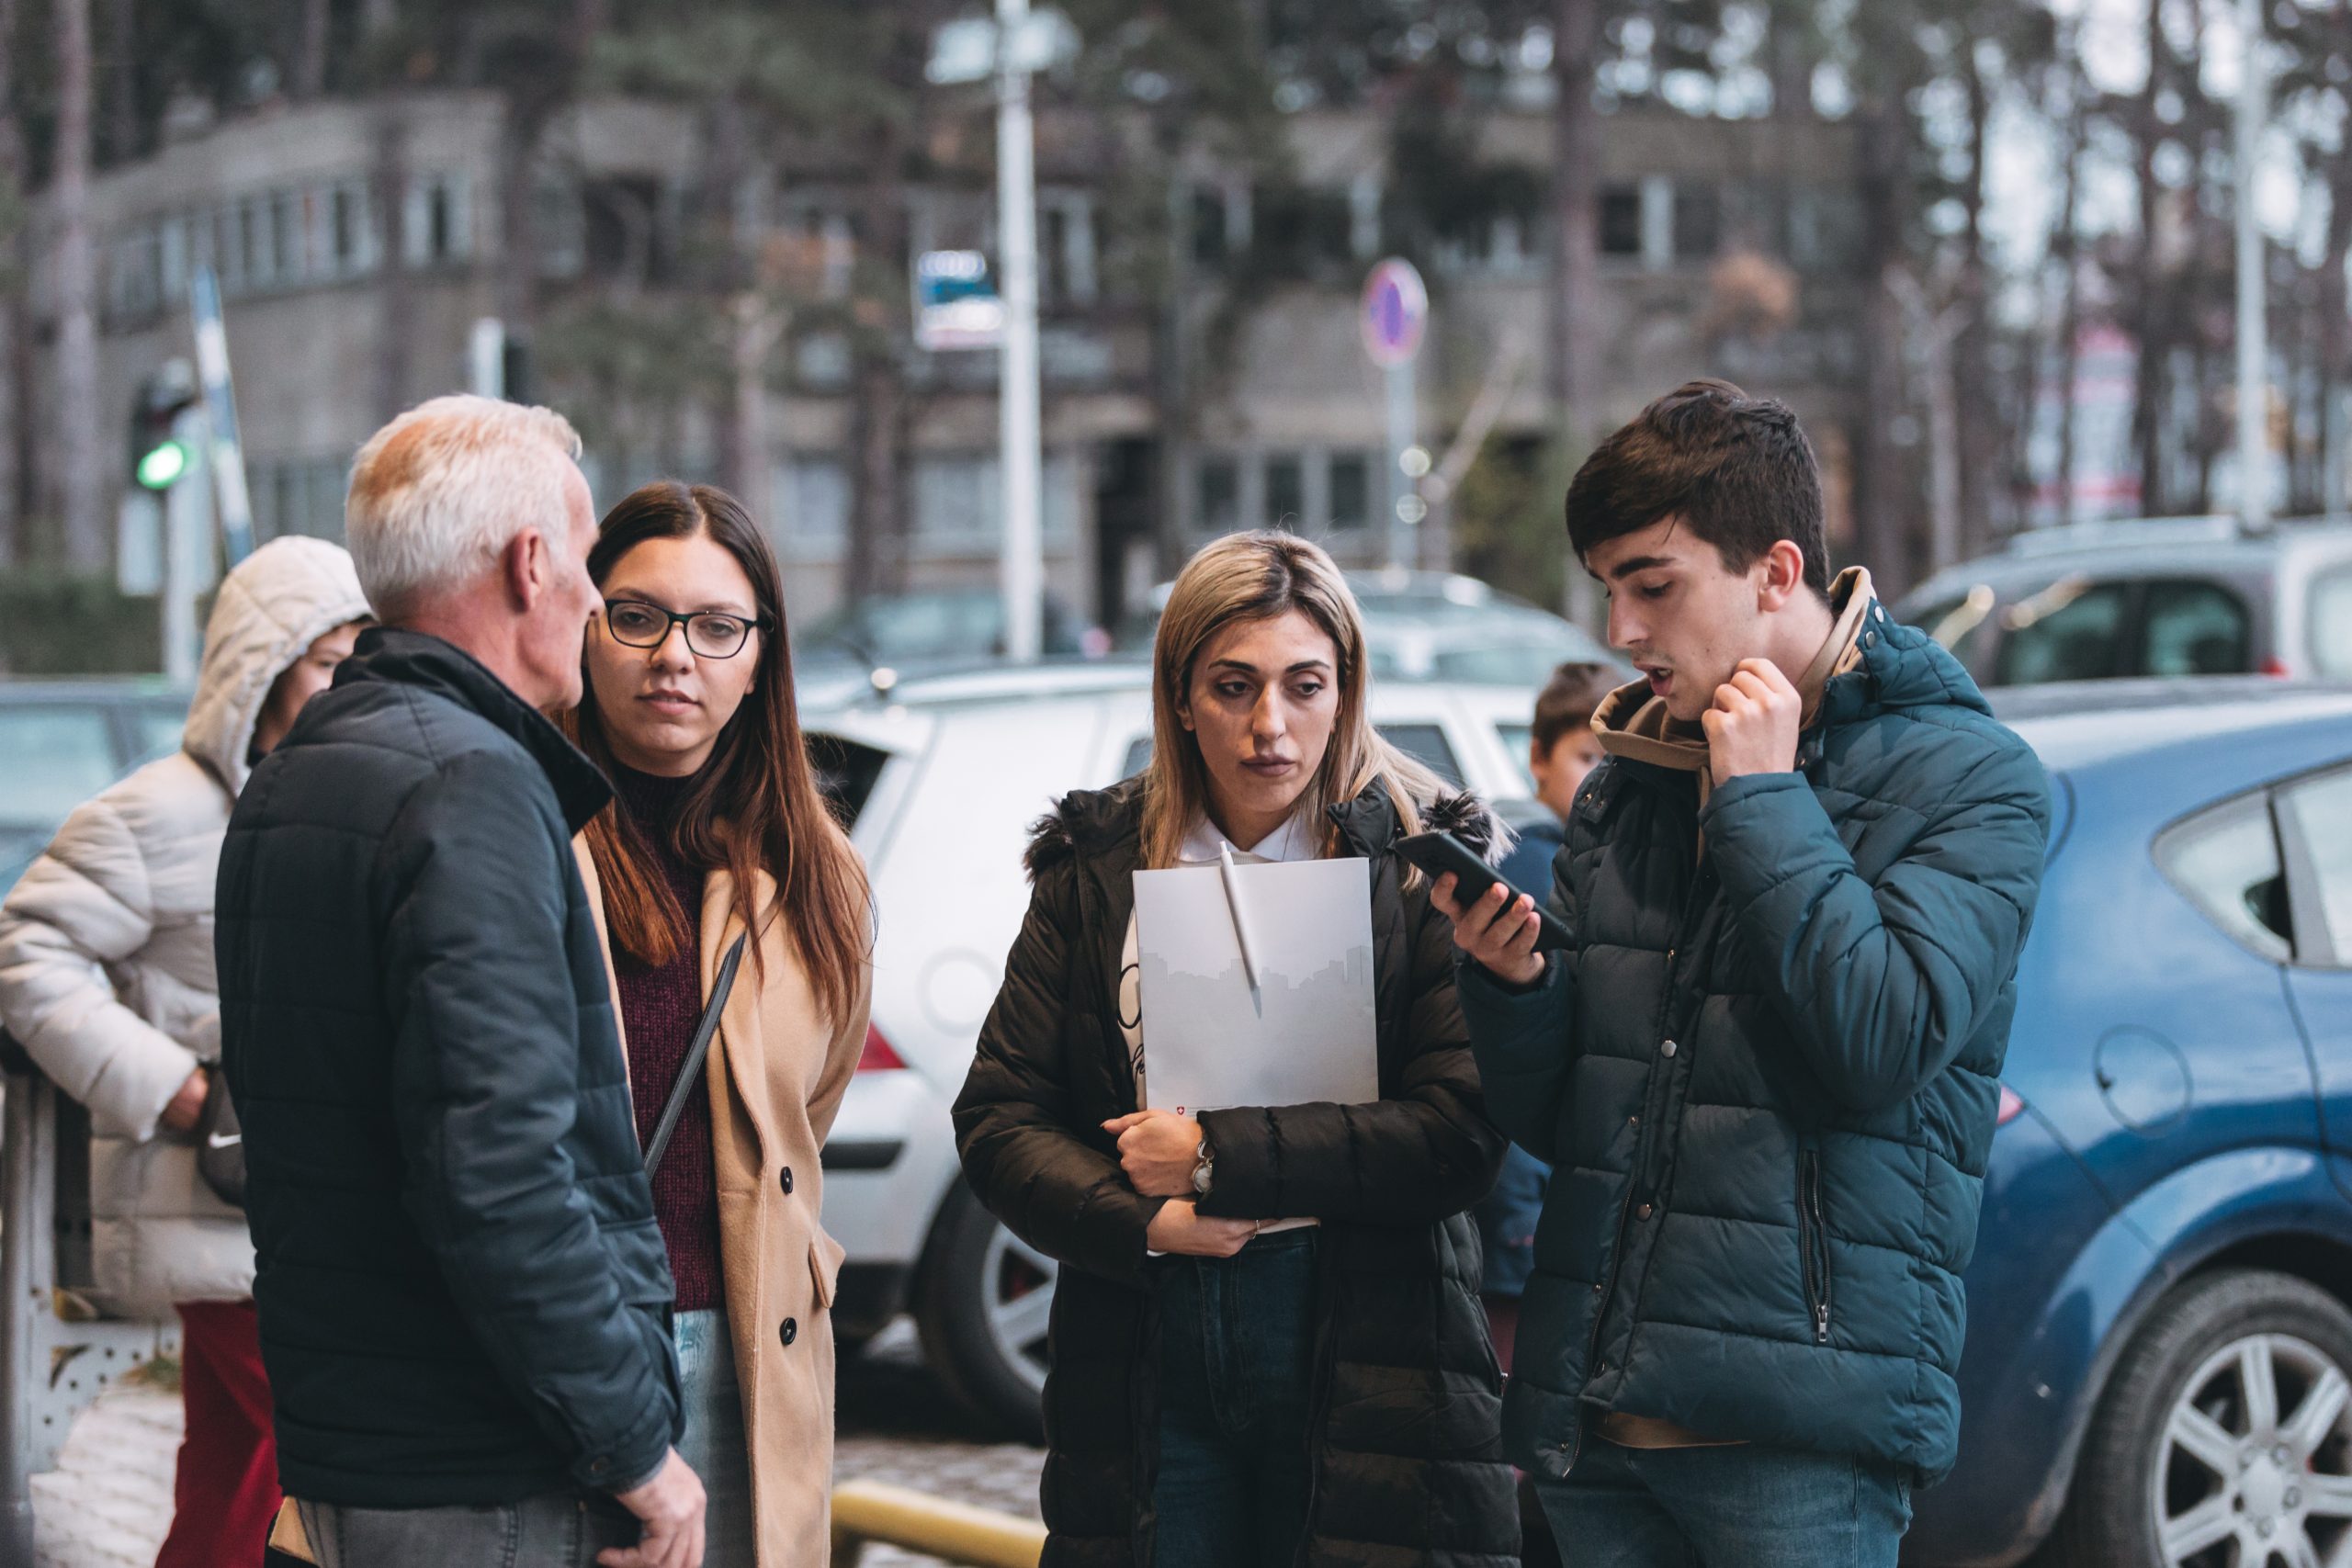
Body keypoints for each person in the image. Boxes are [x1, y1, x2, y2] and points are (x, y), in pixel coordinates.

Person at [1435, 378, 2052, 1568]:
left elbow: (1880, 1036)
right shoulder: (1627, 782)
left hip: (1795, 1443)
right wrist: (1508, 987)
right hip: (1597, 1427)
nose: (1621, 628)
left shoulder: (1973, 778)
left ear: (1775, 572)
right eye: (1608, 587)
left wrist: (1765, 801)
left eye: (1652, 584)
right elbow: (1568, 1118)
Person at [953, 530, 1518, 1568]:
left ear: (1346, 690)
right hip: (1145, 1334)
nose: (1271, 725)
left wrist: (1213, 1157)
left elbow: (1460, 1135)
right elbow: (998, 1117)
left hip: (1369, 1334)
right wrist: (1145, 1218)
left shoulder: (1420, 860)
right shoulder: (1097, 863)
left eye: (1304, 686)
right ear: (1178, 695)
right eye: (1232, 687)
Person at [214, 395, 705, 1568]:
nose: (594, 602)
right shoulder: (470, 788)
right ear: (530, 565)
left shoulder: (295, 774)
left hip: (348, 1458)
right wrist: (639, 1451)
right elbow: (498, 1172)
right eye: (586, 565)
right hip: (481, 1476)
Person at [0, 536, 368, 1568]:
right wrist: (176, 1090)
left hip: (285, 1211)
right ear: (264, 666)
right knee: (326, 1445)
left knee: (234, 1476)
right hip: (212, 1205)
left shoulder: (342, 798)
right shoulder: (160, 812)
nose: (351, 686)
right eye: (331, 660)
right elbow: (24, 950)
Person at [565, 481, 872, 1567]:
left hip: (748, 1349)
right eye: (637, 615)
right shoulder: (522, 831)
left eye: (716, 627)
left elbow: (805, 1107)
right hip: (565, 1341)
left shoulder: (813, 872)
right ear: (581, 619)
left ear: (759, 654)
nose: (673, 656)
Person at [1483, 659, 1617, 1358]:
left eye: (1619, 758)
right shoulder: (1535, 871)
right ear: (1537, 759)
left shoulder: (1617, 869)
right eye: (1588, 755)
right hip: (1523, 1212)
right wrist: (1521, 1221)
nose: (1602, 776)